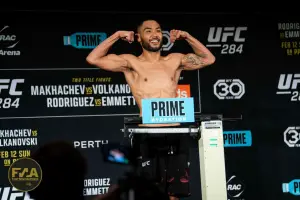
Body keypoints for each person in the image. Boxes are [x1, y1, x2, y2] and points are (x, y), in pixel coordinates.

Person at [86, 19, 215, 200]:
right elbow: (93, 58)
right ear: (139, 37)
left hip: (175, 133)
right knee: (147, 194)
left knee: (174, 195)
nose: (154, 34)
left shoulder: (175, 60)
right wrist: (116, 36)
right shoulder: (130, 62)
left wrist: (187, 36)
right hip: (147, 134)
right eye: (148, 31)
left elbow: (209, 59)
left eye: (158, 30)